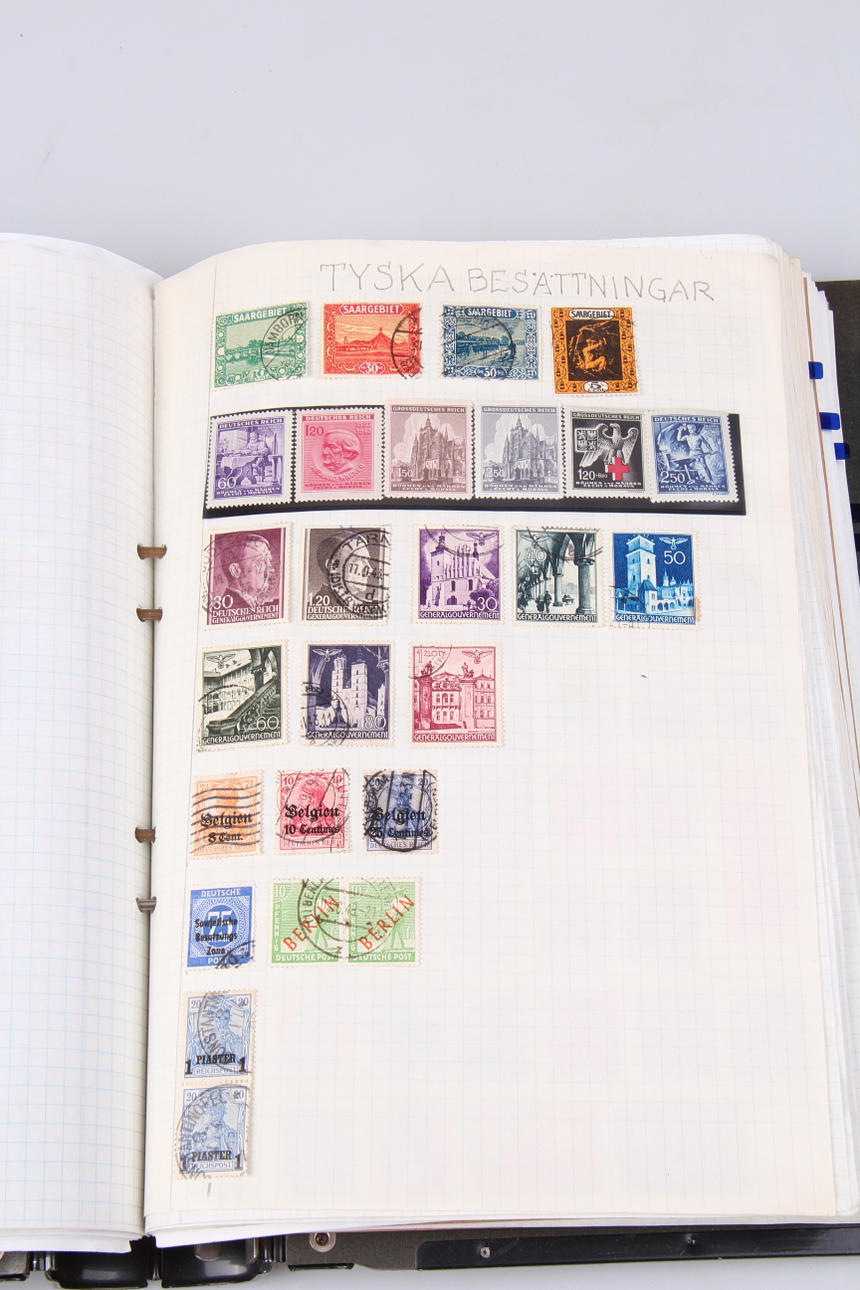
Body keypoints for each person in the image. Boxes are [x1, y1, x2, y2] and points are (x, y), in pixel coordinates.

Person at [216, 533, 276, 611]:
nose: (270, 568)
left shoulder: (254, 606)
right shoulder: (228, 609)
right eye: (260, 562)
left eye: (269, 560)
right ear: (235, 571)